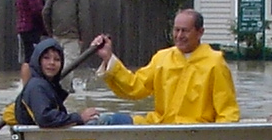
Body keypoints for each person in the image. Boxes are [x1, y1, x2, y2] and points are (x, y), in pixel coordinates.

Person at [92, 9, 239, 124]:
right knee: (105, 120)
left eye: (185, 31)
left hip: (194, 131)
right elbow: (135, 87)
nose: (179, 35)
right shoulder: (162, 58)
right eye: (176, 30)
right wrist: (108, 57)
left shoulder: (215, 63)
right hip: (158, 125)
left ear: (200, 32)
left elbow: (227, 111)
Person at [15, 39, 131, 127]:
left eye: (57, 59)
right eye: (46, 58)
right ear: (37, 60)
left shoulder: (46, 85)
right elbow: (44, 118)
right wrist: (79, 117)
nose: (52, 63)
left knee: (112, 119)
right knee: (111, 120)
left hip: (51, 138)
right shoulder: (37, 86)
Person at [45, 0, 92, 66]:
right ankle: (64, 81)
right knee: (69, 65)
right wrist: (83, 37)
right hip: (72, 36)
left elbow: (45, 12)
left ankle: (55, 81)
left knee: (55, 63)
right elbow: (83, 17)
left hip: (56, 34)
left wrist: (50, 31)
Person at [14, 0, 47, 82]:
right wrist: (45, 28)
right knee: (31, 58)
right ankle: (29, 84)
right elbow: (37, 10)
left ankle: (26, 84)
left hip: (23, 28)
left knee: (26, 58)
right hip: (31, 28)